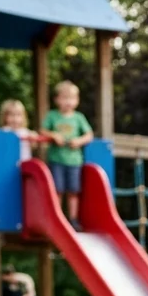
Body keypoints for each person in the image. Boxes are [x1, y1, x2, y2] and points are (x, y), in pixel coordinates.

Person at [41, 81, 93, 230]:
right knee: (58, 190)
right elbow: (43, 131)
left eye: (72, 98)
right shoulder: (52, 116)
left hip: (74, 161)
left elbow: (89, 134)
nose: (68, 102)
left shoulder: (78, 118)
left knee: (73, 191)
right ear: (56, 100)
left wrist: (79, 140)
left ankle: (73, 219)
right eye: (64, 98)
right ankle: (57, 217)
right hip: (57, 159)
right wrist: (54, 135)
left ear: (77, 100)